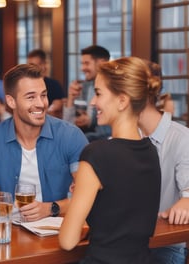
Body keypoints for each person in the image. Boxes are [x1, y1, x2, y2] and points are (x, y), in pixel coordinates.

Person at [59, 56, 161, 263]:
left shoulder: (96, 154)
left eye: (98, 93)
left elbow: (67, 241)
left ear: (122, 100)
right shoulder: (151, 151)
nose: (92, 102)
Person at [0, 63, 88, 221]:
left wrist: (51, 208)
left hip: (60, 230)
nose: (41, 103)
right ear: (11, 102)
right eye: (31, 97)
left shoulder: (70, 135)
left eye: (43, 95)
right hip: (12, 231)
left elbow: (88, 195)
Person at [139, 61, 189, 264]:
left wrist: (186, 200)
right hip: (125, 243)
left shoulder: (181, 137)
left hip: (164, 246)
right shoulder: (119, 139)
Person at [63, 45, 111, 141]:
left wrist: (90, 121)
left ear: (102, 63)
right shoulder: (84, 86)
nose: (82, 68)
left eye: (87, 63)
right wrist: (70, 99)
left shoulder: (113, 88)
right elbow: (68, 124)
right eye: (82, 64)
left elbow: (108, 131)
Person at [27, 49, 65, 118]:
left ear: (43, 65)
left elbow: (57, 107)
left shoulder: (54, 85)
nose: (30, 69)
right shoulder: (26, 86)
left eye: (33, 65)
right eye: (28, 66)